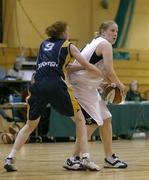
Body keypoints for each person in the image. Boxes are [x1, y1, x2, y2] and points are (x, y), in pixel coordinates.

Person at [4, 21, 102, 172]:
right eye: (67, 30)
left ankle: (10, 157)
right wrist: (100, 73)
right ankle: (85, 158)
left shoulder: (43, 45)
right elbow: (87, 65)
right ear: (63, 33)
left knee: (30, 125)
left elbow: (43, 65)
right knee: (81, 120)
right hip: (56, 85)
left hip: (38, 85)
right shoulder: (68, 45)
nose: (68, 33)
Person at [65, 20, 127, 169]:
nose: (115, 34)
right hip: (81, 86)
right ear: (103, 32)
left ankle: (109, 157)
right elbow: (108, 69)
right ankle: (73, 158)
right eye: (112, 30)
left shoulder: (92, 43)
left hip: (86, 85)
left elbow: (92, 69)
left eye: (117, 32)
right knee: (92, 123)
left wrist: (104, 83)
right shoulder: (105, 44)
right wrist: (120, 84)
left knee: (106, 119)